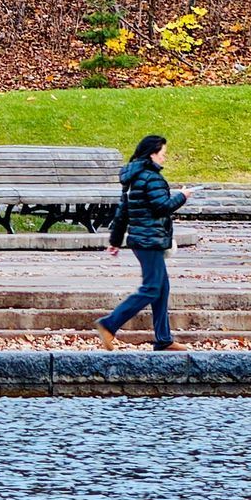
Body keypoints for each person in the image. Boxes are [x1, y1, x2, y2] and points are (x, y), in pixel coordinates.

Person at [100, 132, 187, 350]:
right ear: (152, 154)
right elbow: (162, 207)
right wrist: (182, 196)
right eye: (163, 154)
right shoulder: (151, 177)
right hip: (150, 240)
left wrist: (116, 240)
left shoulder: (133, 177)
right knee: (151, 288)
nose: (164, 158)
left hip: (141, 239)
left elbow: (123, 211)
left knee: (162, 288)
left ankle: (164, 339)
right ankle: (109, 324)